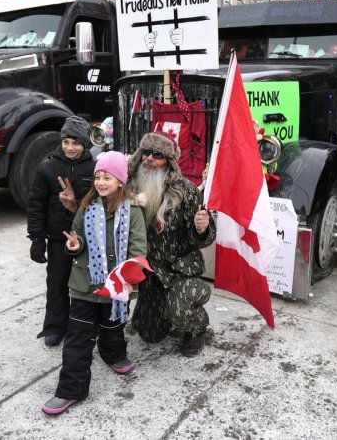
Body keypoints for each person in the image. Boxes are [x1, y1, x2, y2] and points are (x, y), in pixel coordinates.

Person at [42, 151, 147, 415]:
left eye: (107, 177)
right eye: (98, 176)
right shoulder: (86, 207)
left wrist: (128, 278)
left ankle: (113, 353)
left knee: (113, 325)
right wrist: (74, 246)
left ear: (120, 181)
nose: (101, 182)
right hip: (85, 284)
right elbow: (78, 240)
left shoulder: (133, 211)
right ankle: (70, 389)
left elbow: (138, 248)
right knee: (78, 337)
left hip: (116, 284)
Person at [128, 132, 216, 357]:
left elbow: (205, 237)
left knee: (177, 309)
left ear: (168, 160)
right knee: (149, 334)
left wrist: (201, 228)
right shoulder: (130, 185)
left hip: (180, 270)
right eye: (146, 152)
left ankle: (196, 327)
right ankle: (158, 314)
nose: (149, 158)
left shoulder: (185, 190)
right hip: (151, 271)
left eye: (157, 155)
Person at [27, 116, 95, 347]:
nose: (70, 147)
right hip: (58, 238)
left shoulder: (94, 168)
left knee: (85, 284)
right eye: (66, 141)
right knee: (56, 284)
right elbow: (35, 204)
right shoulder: (47, 168)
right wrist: (37, 239)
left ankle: (82, 325)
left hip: (87, 238)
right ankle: (54, 326)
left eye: (76, 142)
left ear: (85, 144)